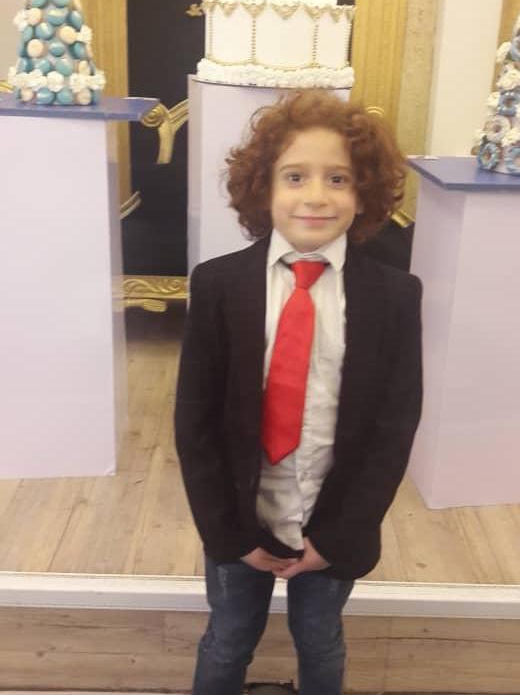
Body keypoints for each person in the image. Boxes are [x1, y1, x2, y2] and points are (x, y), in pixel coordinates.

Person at [174, 90, 423, 695]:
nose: (316, 196)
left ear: (363, 192)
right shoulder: (218, 285)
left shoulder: (395, 297)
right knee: (228, 637)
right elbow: (194, 425)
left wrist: (339, 537)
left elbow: (394, 431)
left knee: (320, 639)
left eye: (337, 178)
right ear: (263, 188)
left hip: (333, 526)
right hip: (240, 521)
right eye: (295, 176)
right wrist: (228, 535)